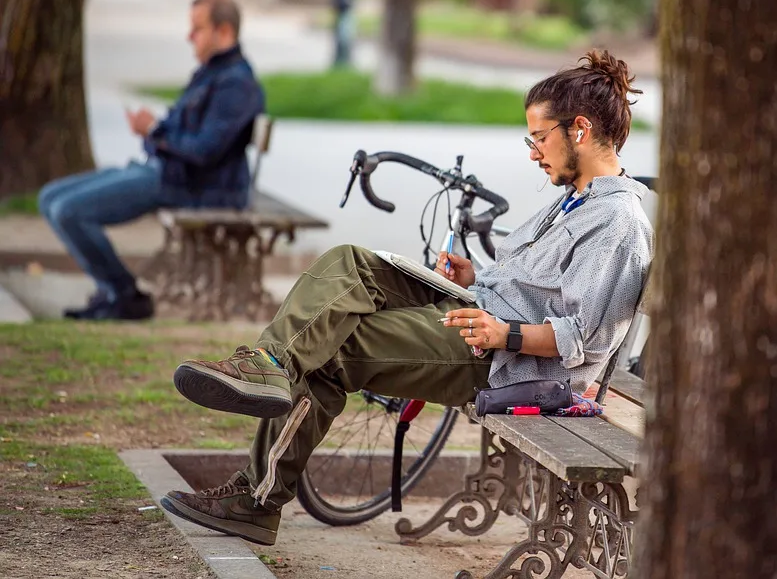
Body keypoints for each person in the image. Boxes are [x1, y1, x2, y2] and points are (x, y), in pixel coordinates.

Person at [160, 50, 654, 546]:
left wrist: (507, 333)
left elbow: (584, 341)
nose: (532, 152)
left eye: (539, 137)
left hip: (507, 362)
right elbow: (539, 288)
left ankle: (254, 501)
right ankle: (267, 365)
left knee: (335, 348)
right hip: (479, 311)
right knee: (349, 262)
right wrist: (476, 276)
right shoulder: (576, 199)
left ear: (581, 130)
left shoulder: (617, 221)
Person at [38, 0, 265, 321]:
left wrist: (154, 132)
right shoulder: (211, 73)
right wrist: (153, 132)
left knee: (67, 210)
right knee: (49, 197)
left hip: (196, 187)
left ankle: (124, 294)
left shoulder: (237, 85)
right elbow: (179, 135)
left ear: (225, 32)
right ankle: (114, 290)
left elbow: (204, 151)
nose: (189, 37)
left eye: (197, 29)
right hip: (167, 172)